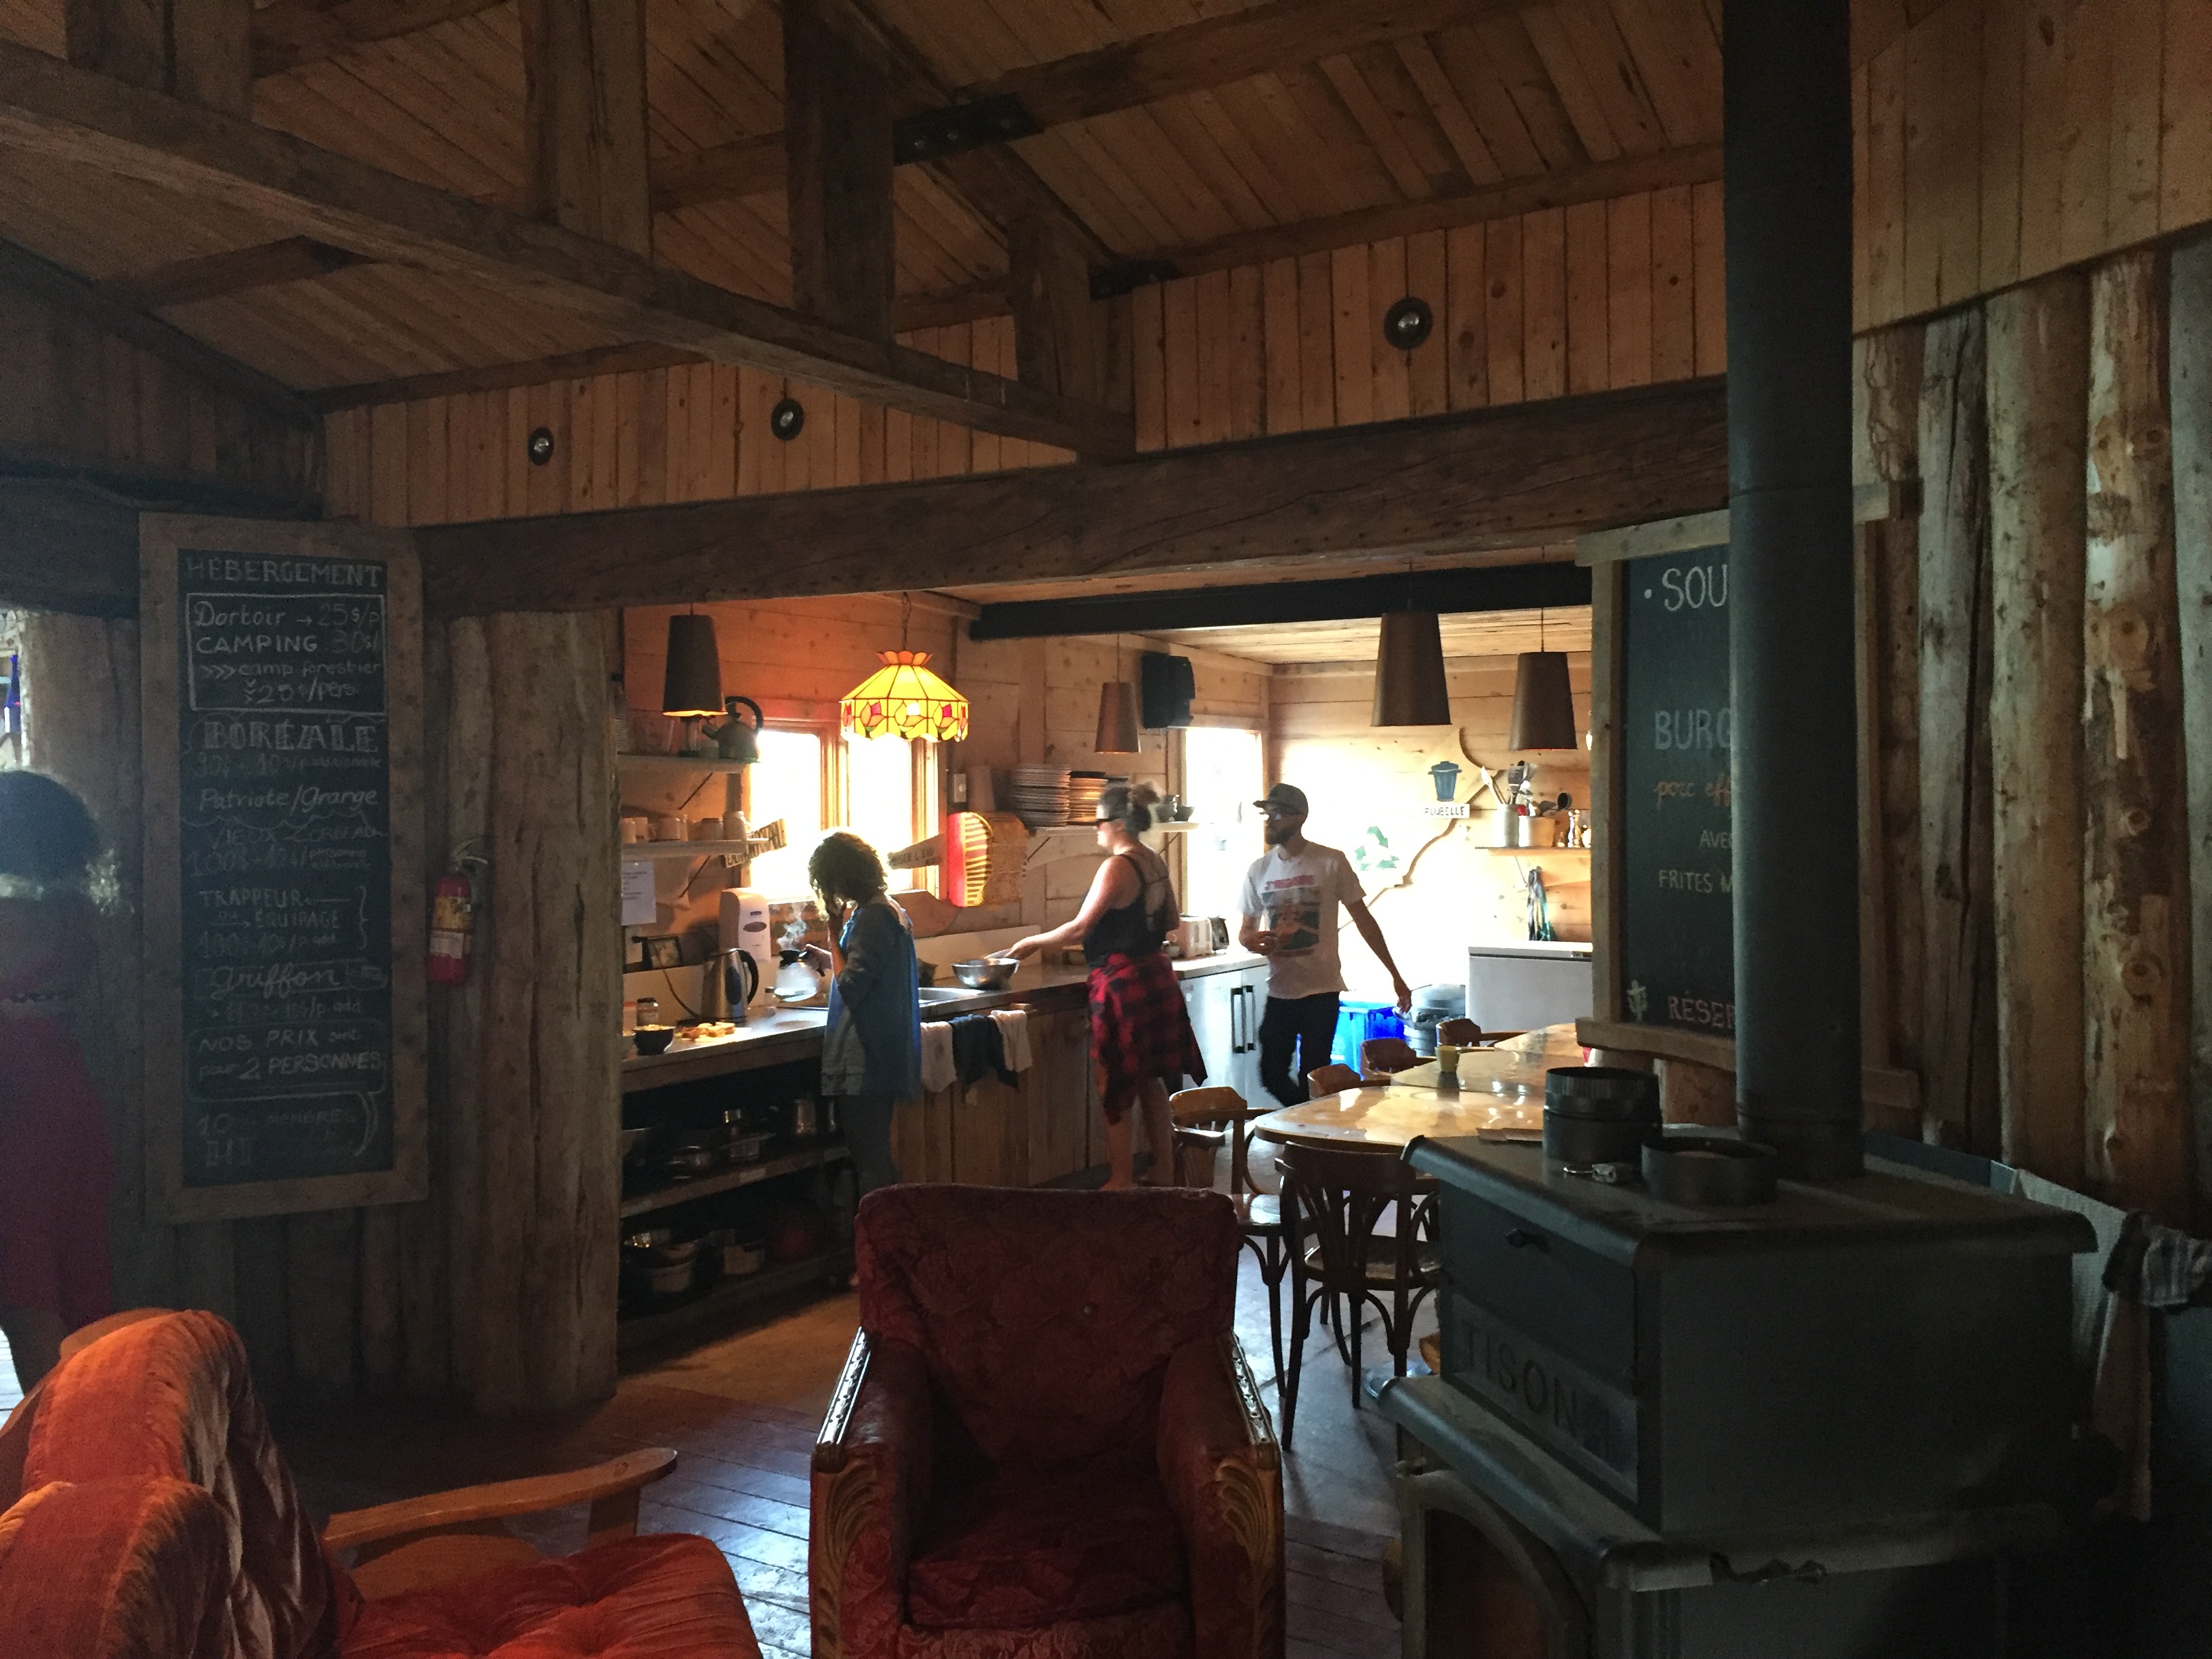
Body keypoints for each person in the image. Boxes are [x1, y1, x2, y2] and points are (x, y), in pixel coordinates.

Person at [1006, 783, 1201, 1189]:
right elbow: (1170, 920)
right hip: (1156, 975)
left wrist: (1032, 943)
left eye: (1098, 822)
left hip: (1122, 983)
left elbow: (1081, 927)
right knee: (1151, 1079)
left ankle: (1121, 1178)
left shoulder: (1116, 867)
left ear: (1118, 824)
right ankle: (1164, 1169)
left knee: (1113, 1080)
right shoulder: (1154, 861)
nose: (1095, 829)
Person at [0, 771, 115, 1391]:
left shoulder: (6, 918)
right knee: (78, 1264)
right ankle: (93, 1413)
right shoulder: (79, 915)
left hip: (14, 1098)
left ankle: (53, 1424)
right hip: (68, 1089)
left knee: (23, 1276)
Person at [1238, 782, 1414, 1107]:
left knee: (1314, 1074)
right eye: (1267, 815)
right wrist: (1253, 941)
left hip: (1322, 990)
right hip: (1280, 990)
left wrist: (1395, 974)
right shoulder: (1259, 870)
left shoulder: (1331, 862)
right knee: (1270, 1074)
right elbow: (1246, 931)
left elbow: (1364, 920)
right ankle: (1303, 1118)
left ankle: (1307, 1128)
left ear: (1300, 817)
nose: (1270, 822)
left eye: (1277, 815)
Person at [805, 832, 921, 1202]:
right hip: (883, 1048)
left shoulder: (871, 917)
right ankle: (893, 1227)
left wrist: (832, 934)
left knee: (870, 1160)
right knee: (876, 1156)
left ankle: (886, 1232)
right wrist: (830, 957)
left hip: (865, 1054)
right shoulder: (886, 908)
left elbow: (852, 987)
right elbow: (866, 967)